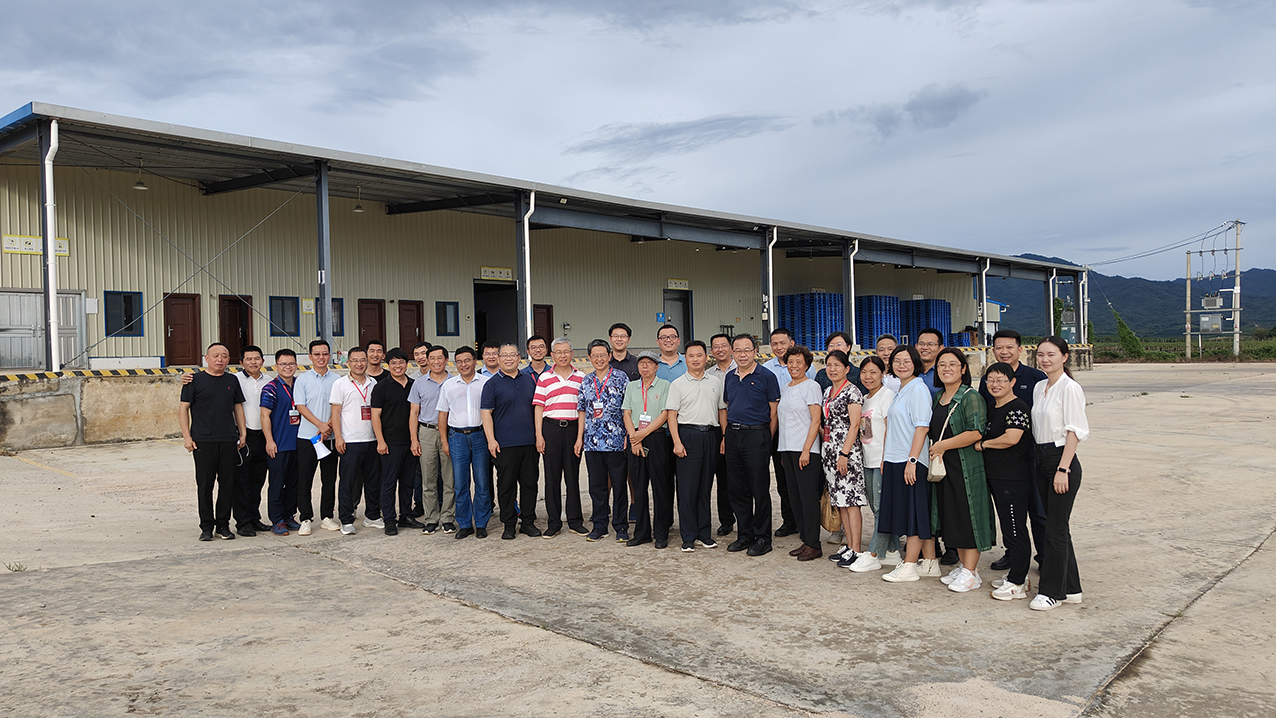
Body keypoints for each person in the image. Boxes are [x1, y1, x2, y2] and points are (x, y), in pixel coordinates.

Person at [978, 328, 1048, 573]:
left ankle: (1045, 558)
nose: (1004, 352)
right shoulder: (989, 379)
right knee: (1010, 514)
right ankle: (1012, 554)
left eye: (1009, 347)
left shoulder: (1036, 378)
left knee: (1038, 512)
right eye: (999, 347)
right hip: (1004, 461)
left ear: (1020, 349)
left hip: (1034, 456)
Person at [1028, 336, 1089, 612]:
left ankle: (1052, 592)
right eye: (1041, 354)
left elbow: (1074, 431)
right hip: (1041, 458)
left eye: (1051, 354)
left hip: (1060, 459)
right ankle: (1072, 588)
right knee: (1057, 527)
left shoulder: (1070, 388)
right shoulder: (1040, 387)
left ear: (1064, 357)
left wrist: (1063, 469)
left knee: (1054, 528)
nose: (1045, 359)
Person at [182, 345, 267, 536]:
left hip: (229, 440)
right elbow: (183, 409)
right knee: (205, 486)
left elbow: (238, 407)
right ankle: (206, 527)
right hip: (203, 441)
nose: (219, 359)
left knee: (227, 485)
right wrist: (187, 437)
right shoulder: (194, 380)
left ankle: (223, 525)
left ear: (229, 360)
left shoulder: (232, 380)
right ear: (206, 358)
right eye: (215, 356)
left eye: (224, 356)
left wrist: (242, 433)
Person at [927, 348, 993, 594]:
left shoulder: (970, 397)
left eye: (952, 364)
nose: (946, 369)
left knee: (968, 516)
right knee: (953, 516)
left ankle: (971, 572)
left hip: (965, 466)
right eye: (942, 364)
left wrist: (942, 445)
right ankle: (967, 568)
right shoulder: (939, 397)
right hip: (945, 467)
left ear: (963, 369)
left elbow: (976, 432)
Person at [878, 345, 940, 582]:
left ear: (915, 363)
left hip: (910, 460)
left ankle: (910, 565)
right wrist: (885, 458)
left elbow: (922, 427)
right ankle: (930, 562)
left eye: (906, 361)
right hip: (895, 459)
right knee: (910, 511)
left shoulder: (918, 389)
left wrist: (912, 460)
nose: (901, 365)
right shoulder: (901, 390)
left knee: (914, 513)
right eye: (897, 361)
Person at [975, 361, 1035, 600]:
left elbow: (1011, 438)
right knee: (1009, 529)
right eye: (991, 380)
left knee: (1014, 529)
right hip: (997, 477)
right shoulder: (992, 406)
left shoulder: (1017, 407)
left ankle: (1017, 583)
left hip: (1013, 479)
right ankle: (1018, 576)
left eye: (1001, 380)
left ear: (1012, 382)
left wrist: (984, 444)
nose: (995, 384)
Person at [723, 334, 781, 557]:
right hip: (733, 435)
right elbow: (729, 405)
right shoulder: (729, 377)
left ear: (755, 352)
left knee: (759, 489)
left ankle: (763, 537)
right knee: (737, 489)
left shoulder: (766, 376)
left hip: (757, 436)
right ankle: (745, 534)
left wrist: (766, 439)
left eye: (747, 350)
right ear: (732, 353)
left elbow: (774, 413)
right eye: (738, 350)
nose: (742, 354)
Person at [667, 340, 727, 552]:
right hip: (688, 436)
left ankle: (704, 533)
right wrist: (677, 442)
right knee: (687, 488)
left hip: (711, 435)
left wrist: (724, 436)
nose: (695, 359)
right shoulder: (678, 384)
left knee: (705, 486)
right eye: (691, 355)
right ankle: (688, 536)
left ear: (706, 357)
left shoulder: (715, 382)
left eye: (699, 355)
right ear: (685, 359)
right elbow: (671, 415)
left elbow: (721, 411)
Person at [845, 356, 902, 572]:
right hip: (867, 459)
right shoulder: (865, 398)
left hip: (881, 460)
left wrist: (885, 458)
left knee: (880, 508)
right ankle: (893, 551)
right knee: (876, 506)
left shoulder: (887, 396)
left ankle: (873, 553)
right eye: (864, 372)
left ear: (883, 374)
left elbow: (890, 429)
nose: (868, 377)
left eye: (873, 372)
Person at [481, 342, 541, 539]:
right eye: (504, 355)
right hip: (504, 444)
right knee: (506, 485)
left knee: (529, 483)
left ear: (519, 358)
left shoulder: (530, 380)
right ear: (499, 358)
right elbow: (486, 413)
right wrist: (491, 440)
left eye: (512, 355)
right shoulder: (491, 384)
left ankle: (528, 522)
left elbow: (537, 409)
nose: (509, 359)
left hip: (529, 442)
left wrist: (538, 436)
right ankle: (508, 524)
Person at [762, 328, 815, 539]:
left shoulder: (809, 376)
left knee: (805, 488)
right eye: (774, 344)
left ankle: (809, 534)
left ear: (791, 343)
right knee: (785, 483)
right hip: (782, 435)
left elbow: (814, 413)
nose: (779, 347)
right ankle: (791, 522)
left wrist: (808, 446)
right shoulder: (767, 370)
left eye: (782, 343)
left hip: (804, 438)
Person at [533, 338, 588, 538]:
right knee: (552, 478)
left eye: (566, 351)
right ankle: (554, 523)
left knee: (572, 477)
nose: (563, 355)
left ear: (572, 354)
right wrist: (539, 435)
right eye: (558, 352)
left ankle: (575, 521)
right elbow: (539, 408)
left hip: (573, 429)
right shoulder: (544, 378)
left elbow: (582, 410)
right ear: (552, 355)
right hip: (551, 429)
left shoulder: (581, 377)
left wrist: (580, 437)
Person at [578, 339, 631, 542]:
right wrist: (580, 438)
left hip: (616, 442)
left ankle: (621, 526)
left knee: (619, 485)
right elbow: (582, 411)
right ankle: (599, 525)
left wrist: (628, 435)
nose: (599, 359)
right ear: (589, 358)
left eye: (603, 355)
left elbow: (628, 409)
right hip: (592, 443)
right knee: (597, 486)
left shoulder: (621, 378)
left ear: (609, 356)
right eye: (595, 355)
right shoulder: (586, 381)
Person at [776, 345, 826, 561]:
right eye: (790, 362)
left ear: (807, 365)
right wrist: (783, 451)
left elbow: (816, 421)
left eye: (799, 362)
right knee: (794, 497)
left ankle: (814, 544)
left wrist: (806, 449)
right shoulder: (786, 388)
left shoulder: (811, 386)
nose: (794, 366)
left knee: (808, 498)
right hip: (787, 449)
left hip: (806, 450)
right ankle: (805, 540)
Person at [437, 346, 492, 539]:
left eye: (467, 360)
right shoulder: (449, 385)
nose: (463, 365)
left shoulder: (486, 383)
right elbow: (442, 415)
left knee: (482, 482)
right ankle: (465, 523)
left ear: (475, 361)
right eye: (459, 361)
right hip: (457, 437)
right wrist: (444, 441)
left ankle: (482, 522)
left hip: (480, 436)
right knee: (460, 483)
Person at [820, 350, 867, 567]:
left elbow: (855, 425)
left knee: (852, 502)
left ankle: (856, 549)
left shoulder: (852, 391)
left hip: (846, 453)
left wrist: (844, 454)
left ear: (847, 368)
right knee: (840, 501)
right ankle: (849, 545)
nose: (832, 369)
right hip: (830, 452)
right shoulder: (828, 391)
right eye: (829, 365)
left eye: (837, 365)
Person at [623, 350, 673, 548]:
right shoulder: (632, 386)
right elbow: (627, 413)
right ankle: (642, 532)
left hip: (656, 438)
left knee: (660, 487)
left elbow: (665, 414)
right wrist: (634, 438)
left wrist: (642, 434)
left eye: (649, 363)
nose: (645, 366)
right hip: (635, 439)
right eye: (641, 363)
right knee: (638, 487)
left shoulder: (665, 385)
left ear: (656, 367)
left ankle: (661, 533)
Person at [330, 347, 382, 534]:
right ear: (348, 362)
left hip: (372, 439)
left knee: (373, 481)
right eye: (355, 360)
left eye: (362, 360)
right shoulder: (340, 384)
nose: (359, 364)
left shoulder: (374, 383)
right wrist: (338, 437)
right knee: (348, 483)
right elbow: (335, 413)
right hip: (350, 441)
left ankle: (372, 516)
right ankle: (346, 519)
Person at [294, 340, 340, 534]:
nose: (321, 357)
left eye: (325, 354)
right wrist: (320, 425)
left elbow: (339, 406)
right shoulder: (302, 379)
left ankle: (327, 516)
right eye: (317, 354)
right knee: (304, 479)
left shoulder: (337, 379)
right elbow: (300, 406)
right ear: (310, 356)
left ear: (329, 355)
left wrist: (328, 425)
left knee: (329, 479)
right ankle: (305, 518)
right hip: (307, 437)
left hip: (330, 437)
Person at [409, 345, 454, 534]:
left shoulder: (454, 381)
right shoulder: (419, 383)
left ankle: (448, 518)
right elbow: (414, 412)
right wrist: (414, 439)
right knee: (428, 479)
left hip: (450, 433)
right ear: (427, 361)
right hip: (426, 432)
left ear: (446, 360)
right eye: (432, 358)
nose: (436, 362)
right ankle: (431, 518)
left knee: (449, 478)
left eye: (440, 358)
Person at [260, 349, 302, 535]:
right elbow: (264, 415)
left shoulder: (300, 385)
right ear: (276, 366)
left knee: (294, 483)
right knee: (277, 483)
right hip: (279, 444)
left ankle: (289, 516)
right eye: (283, 364)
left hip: (298, 444)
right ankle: (277, 520)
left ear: (296, 365)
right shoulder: (270, 388)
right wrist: (269, 440)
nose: (287, 367)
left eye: (291, 363)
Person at [232, 346, 271, 536]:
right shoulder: (234, 380)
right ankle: (242, 522)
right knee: (242, 480)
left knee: (258, 480)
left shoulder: (270, 381)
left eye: (257, 358)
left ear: (263, 361)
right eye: (248, 359)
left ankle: (254, 518)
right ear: (241, 362)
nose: (253, 362)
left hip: (263, 436)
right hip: (243, 437)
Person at [705, 333, 736, 537]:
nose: (720, 349)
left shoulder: (741, 369)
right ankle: (726, 520)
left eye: (724, 345)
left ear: (731, 348)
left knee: (738, 478)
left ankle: (745, 518)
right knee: (721, 477)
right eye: (716, 346)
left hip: (738, 428)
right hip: (715, 429)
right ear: (711, 351)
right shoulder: (708, 374)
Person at [914, 329, 945, 399]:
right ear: (916, 346)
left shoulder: (944, 371)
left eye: (930, 344)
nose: (925, 348)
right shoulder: (909, 370)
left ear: (941, 348)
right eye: (921, 344)